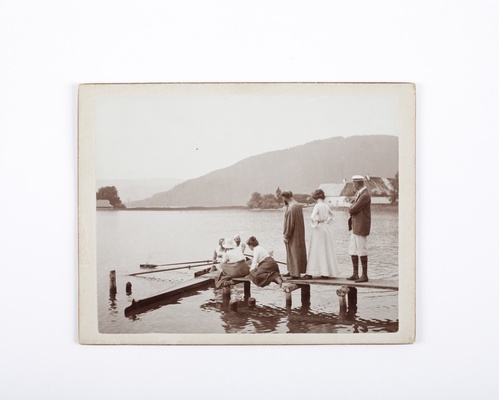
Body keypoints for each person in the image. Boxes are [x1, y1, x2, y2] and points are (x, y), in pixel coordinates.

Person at [303, 189, 339, 279]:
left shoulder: (317, 206)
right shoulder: (326, 206)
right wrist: (326, 221)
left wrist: (315, 222)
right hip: (325, 228)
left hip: (318, 228)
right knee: (325, 249)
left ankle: (311, 272)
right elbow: (332, 216)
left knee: (315, 249)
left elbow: (312, 217)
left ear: (315, 197)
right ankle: (325, 272)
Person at [347, 175, 371, 283]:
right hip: (356, 226)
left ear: (357, 184)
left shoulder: (364, 195)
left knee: (361, 249)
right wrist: (352, 205)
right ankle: (355, 274)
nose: (353, 185)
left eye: (353, 183)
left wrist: (351, 207)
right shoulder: (361, 194)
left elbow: (353, 209)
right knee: (353, 249)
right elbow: (354, 207)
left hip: (361, 226)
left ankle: (364, 275)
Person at [281, 191, 307, 279]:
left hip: (293, 234)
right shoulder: (298, 205)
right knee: (297, 251)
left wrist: (286, 235)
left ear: (285, 198)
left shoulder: (291, 207)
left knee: (293, 252)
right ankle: (293, 270)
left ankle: (295, 273)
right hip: (299, 232)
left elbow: (290, 223)